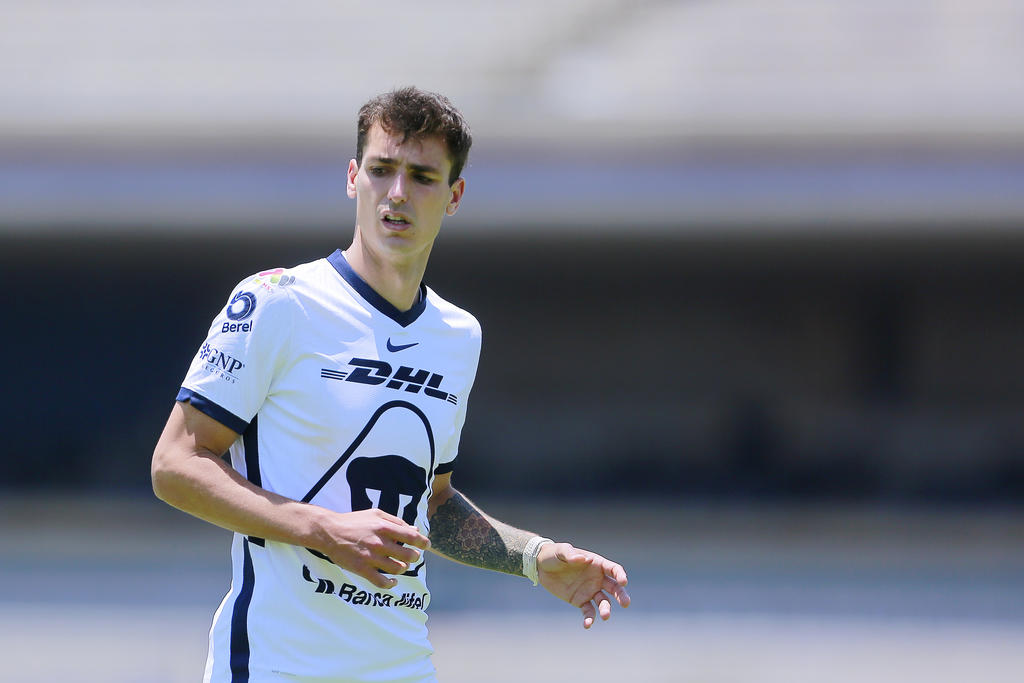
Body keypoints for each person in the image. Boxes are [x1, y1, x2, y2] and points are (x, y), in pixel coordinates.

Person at [151, 86, 630, 683]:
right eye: (382, 170)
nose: (398, 193)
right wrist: (322, 528)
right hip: (275, 668)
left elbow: (433, 503)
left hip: (402, 667)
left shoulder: (458, 335)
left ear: (454, 195)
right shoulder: (277, 301)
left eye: (422, 177)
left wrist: (533, 558)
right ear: (353, 177)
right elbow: (175, 464)